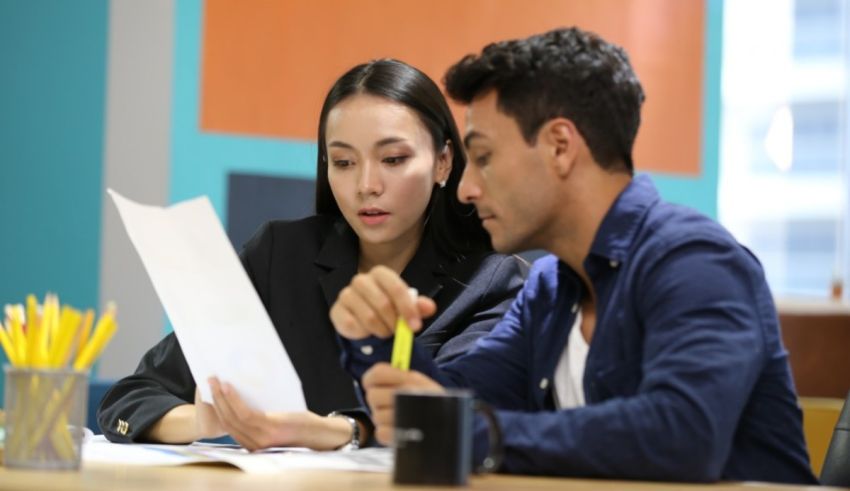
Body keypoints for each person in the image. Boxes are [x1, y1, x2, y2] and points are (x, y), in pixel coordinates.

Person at [330, 28, 817, 483]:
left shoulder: (696, 261)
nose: (466, 189)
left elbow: (682, 436)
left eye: (483, 157)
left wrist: (480, 434)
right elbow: (448, 408)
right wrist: (375, 334)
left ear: (560, 146)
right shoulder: (550, 288)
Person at [97, 59, 527, 451]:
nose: (366, 185)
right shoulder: (279, 256)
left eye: (393, 159)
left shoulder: (492, 281)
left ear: (444, 162)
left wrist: (329, 430)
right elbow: (129, 399)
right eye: (343, 163)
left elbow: (455, 416)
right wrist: (203, 420)